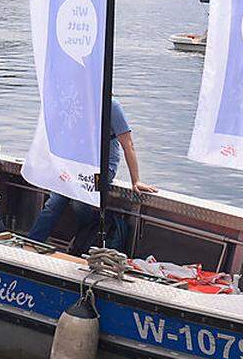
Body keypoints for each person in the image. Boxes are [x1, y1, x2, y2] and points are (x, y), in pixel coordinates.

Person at [27, 99, 157, 255]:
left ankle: (83, 238)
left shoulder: (112, 106)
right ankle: (32, 243)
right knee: (55, 201)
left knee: (80, 200)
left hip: (103, 167)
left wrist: (135, 180)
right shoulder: (77, 100)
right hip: (77, 164)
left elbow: (128, 144)